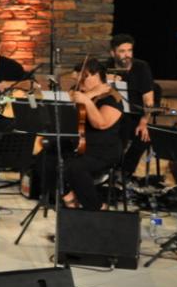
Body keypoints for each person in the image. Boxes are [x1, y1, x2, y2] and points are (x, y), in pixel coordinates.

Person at [60, 59, 124, 211]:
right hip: (79, 146)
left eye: (85, 76)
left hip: (103, 151)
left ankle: (97, 207)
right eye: (79, 77)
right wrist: (90, 94)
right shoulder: (80, 91)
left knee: (74, 167)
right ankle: (69, 197)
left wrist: (87, 102)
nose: (80, 81)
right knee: (46, 156)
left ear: (96, 76)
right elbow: (67, 104)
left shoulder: (112, 98)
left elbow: (100, 124)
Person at [105, 34, 156, 178]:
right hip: (111, 113)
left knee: (144, 136)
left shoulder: (141, 67)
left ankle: (123, 172)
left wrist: (144, 122)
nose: (127, 55)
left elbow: (149, 99)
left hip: (135, 114)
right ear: (113, 53)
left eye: (129, 50)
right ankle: (106, 170)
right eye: (122, 51)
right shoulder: (106, 67)